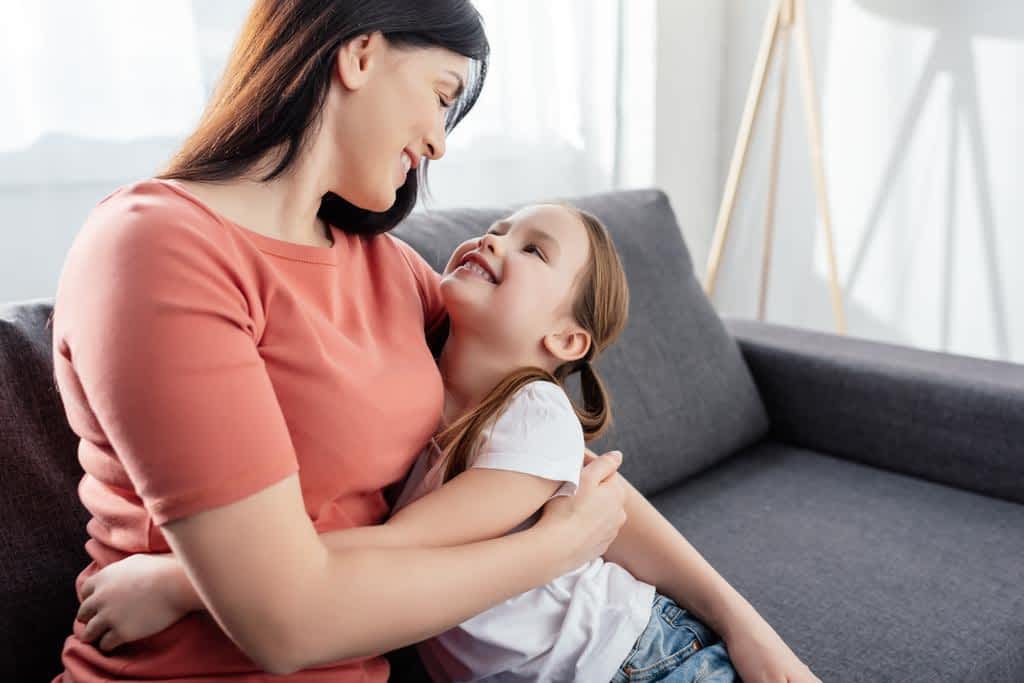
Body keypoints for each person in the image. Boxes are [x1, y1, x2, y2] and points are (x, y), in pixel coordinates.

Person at [51, 2, 629, 681]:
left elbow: (546, 448)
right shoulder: (159, 247)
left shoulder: (391, 270)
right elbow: (286, 626)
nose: (440, 143)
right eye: (443, 96)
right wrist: (552, 551)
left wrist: (740, 623)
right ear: (360, 55)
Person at [74, 205, 821, 683]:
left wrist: (182, 580)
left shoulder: (535, 416)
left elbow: (402, 548)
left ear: (564, 339)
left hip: (640, 661)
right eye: (500, 228)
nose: (496, 239)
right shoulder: (412, 373)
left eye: (533, 250)